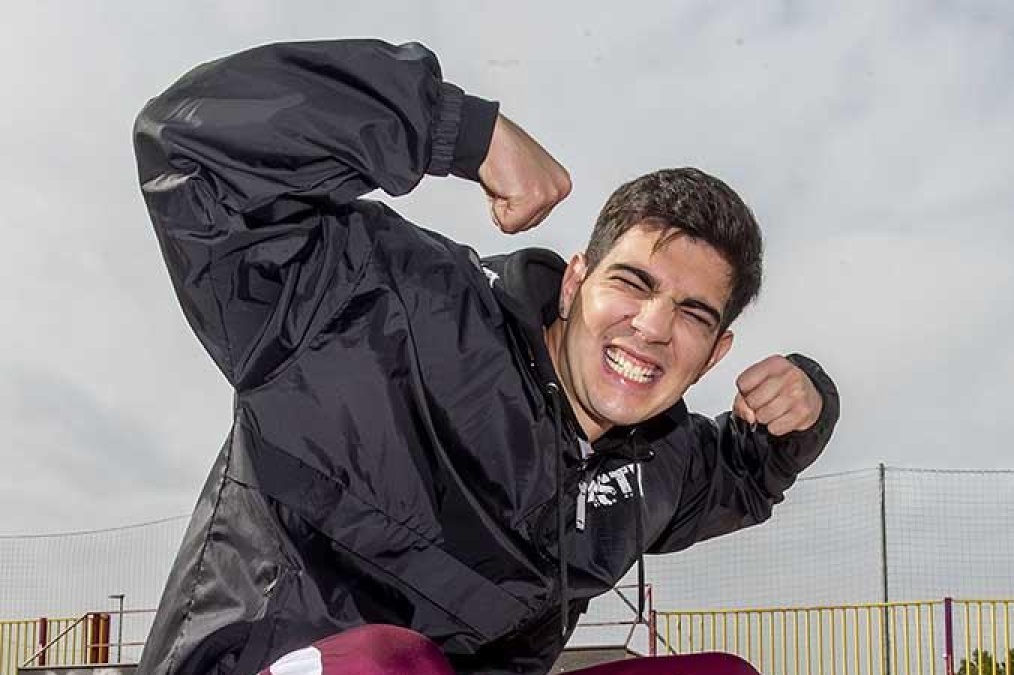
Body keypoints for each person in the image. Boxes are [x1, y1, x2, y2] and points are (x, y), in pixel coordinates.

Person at [133, 38, 839, 675]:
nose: (653, 327)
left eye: (692, 314)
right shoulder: (381, 305)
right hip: (271, 661)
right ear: (574, 283)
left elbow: (748, 473)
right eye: (633, 282)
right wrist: (452, 129)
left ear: (714, 355)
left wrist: (805, 402)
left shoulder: (659, 465)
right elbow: (195, 154)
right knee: (390, 664)